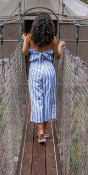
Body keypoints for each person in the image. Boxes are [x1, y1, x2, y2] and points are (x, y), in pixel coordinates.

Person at [21, 13, 65, 144]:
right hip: (48, 69)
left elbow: (24, 52)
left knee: (37, 99)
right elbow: (57, 56)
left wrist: (25, 40)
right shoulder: (53, 38)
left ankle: (40, 132)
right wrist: (60, 45)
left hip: (35, 69)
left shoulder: (29, 37)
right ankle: (44, 130)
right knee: (48, 99)